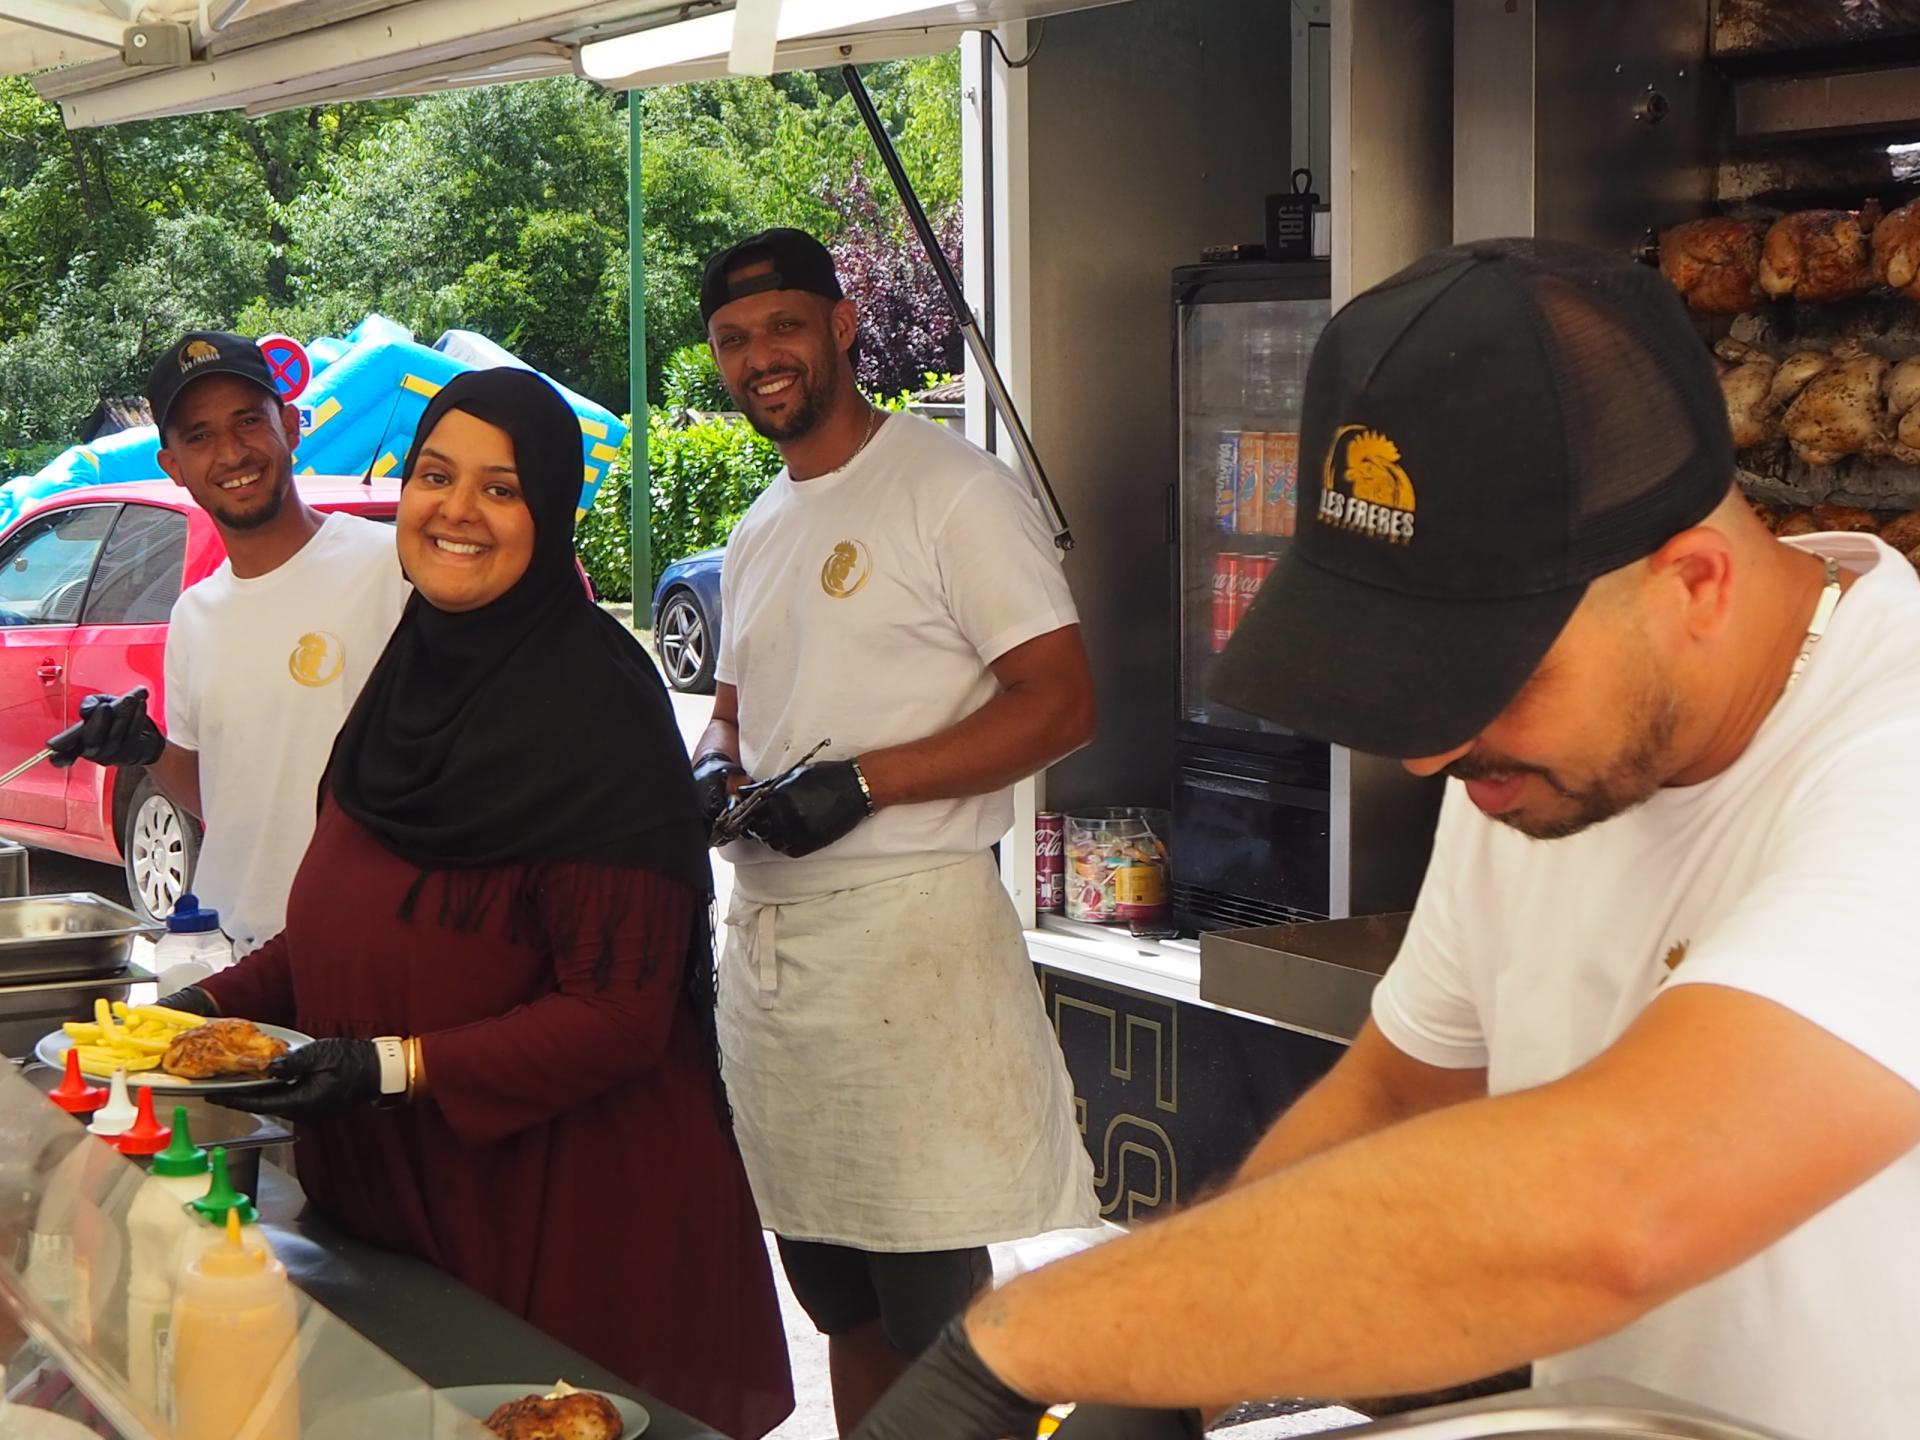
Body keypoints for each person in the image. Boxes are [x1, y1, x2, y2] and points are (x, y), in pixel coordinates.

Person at [848, 239, 1920, 1440]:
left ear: (1697, 585)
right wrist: (1161, 1378)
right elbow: (1407, 1092)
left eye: (1484, 672)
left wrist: (1029, 1345)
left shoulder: (1895, 754)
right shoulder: (1528, 766)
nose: (1429, 754)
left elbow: (1629, 1201)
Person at [165, 369, 793, 1439]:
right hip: (399, 1213)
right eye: (434, 476)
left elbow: (621, 1010)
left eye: (500, 489)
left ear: (549, 513)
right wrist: (191, 1019)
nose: (455, 509)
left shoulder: (595, 705)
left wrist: (394, 1065)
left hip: (565, 1224)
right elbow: (340, 926)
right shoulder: (408, 675)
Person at [692, 227, 1102, 1430]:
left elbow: (1063, 701)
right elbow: (729, 712)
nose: (759, 357)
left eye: (780, 327)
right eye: (731, 339)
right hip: (774, 954)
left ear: (839, 325)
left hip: (910, 944)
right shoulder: (762, 525)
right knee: (837, 1302)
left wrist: (871, 784)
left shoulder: (951, 488)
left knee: (937, 1308)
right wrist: (710, 771)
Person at [47, 331, 411, 952]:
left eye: (248, 421)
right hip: (231, 947)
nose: (232, 453)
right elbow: (217, 794)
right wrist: (149, 749)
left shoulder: (391, 569)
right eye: (200, 436)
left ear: (290, 427)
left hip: (368, 947)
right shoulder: (195, 613)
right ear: (174, 467)